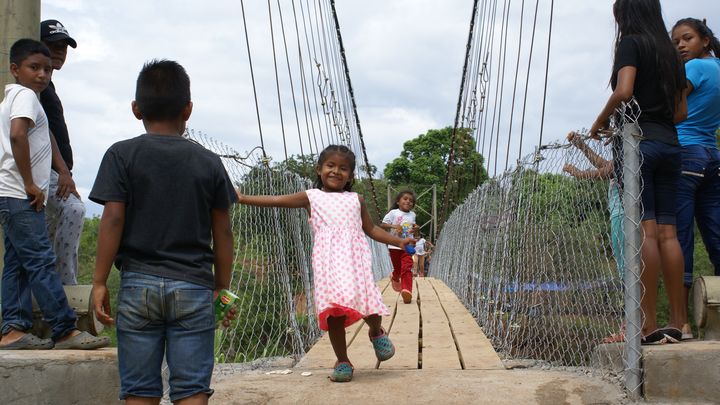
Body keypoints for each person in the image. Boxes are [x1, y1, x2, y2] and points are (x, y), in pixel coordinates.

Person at [90, 60, 237, 404]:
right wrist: (222, 287)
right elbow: (223, 232)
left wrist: (98, 282)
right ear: (188, 109)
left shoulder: (120, 155)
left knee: (139, 389)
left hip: (138, 285)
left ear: (136, 109)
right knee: (192, 389)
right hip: (194, 287)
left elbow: (112, 220)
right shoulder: (209, 162)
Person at [237, 145, 413, 383]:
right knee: (334, 313)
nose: (336, 171)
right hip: (328, 264)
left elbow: (371, 229)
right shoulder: (311, 197)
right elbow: (277, 200)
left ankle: (375, 331)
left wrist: (398, 242)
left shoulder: (356, 199)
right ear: (319, 170)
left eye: (343, 168)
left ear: (350, 176)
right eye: (330, 165)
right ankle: (343, 361)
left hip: (355, 262)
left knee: (369, 305)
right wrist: (243, 198)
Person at [0, 39, 109, 350]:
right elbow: (18, 135)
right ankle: (64, 329)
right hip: (19, 194)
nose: (42, 74)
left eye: (47, 69)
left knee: (17, 264)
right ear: (15, 69)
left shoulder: (19, 99)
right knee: (41, 261)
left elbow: (42, 133)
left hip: (10, 194)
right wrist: (30, 184)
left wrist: (62, 169)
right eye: (34, 67)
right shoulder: (25, 96)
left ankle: (13, 330)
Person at [590, 0, 688, 344]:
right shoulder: (671, 53)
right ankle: (679, 322)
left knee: (645, 233)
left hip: (638, 147)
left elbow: (624, 90)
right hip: (670, 145)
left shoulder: (631, 43)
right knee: (668, 235)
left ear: (625, 14)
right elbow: (681, 113)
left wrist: (601, 121)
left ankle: (647, 325)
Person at [671, 17, 720, 340]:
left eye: (687, 38)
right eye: (676, 42)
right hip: (713, 155)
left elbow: (672, 107)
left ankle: (682, 322)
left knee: (680, 237)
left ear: (705, 40)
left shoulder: (695, 69)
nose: (680, 45)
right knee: (716, 234)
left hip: (686, 152)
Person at [39, 19, 85, 285]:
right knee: (75, 210)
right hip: (47, 170)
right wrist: (63, 170)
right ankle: (67, 285)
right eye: (53, 45)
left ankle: (45, 287)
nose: (59, 51)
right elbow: (41, 130)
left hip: (57, 171)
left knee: (46, 233)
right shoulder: (33, 89)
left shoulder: (48, 87)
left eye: (64, 47)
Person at [562, 131, 625, 277]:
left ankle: (631, 289)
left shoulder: (632, 144)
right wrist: (582, 146)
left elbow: (609, 171)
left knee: (627, 265)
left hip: (623, 212)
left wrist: (579, 174)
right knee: (625, 263)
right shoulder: (630, 145)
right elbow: (607, 165)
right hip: (620, 211)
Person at [381, 190, 417, 304]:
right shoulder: (393, 213)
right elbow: (383, 225)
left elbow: (412, 228)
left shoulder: (413, 215)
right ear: (398, 201)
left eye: (411, 200)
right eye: (405, 199)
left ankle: (407, 290)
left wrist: (415, 228)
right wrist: (394, 226)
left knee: (407, 267)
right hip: (394, 245)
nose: (408, 201)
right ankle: (395, 276)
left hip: (407, 245)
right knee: (398, 268)